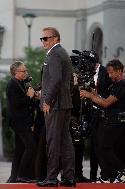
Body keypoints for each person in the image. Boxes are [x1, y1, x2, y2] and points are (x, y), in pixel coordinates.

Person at [80, 59, 125, 183]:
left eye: (111, 73)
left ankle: (123, 171)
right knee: (101, 147)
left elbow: (106, 103)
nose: (109, 76)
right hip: (113, 121)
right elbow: (104, 99)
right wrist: (94, 94)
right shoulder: (117, 85)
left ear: (119, 71)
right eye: (108, 73)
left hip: (117, 122)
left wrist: (91, 96)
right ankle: (106, 176)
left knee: (104, 147)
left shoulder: (123, 85)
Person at [36, 27, 75, 187]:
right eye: (42, 38)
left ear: (56, 39)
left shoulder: (54, 54)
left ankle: (51, 177)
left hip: (56, 105)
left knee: (53, 141)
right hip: (64, 103)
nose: (43, 41)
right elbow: (69, 82)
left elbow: (56, 80)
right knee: (65, 142)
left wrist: (47, 101)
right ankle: (69, 177)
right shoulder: (63, 53)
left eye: (46, 38)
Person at [6, 61, 36, 183]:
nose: (26, 73)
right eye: (24, 71)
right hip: (18, 121)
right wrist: (29, 96)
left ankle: (13, 177)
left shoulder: (20, 83)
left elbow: (27, 103)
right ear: (16, 72)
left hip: (23, 121)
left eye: (26, 70)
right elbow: (16, 104)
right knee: (31, 147)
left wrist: (33, 96)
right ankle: (21, 175)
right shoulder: (11, 84)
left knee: (20, 149)